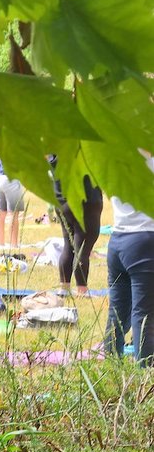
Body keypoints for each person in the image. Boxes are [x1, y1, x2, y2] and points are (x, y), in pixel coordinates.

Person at [104, 151, 154, 367]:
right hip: (143, 240)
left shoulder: (115, 158)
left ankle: (110, 368)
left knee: (116, 313)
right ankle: (145, 373)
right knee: (144, 315)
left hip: (117, 240)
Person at [49, 155, 104, 296]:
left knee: (69, 245)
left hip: (61, 201)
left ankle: (64, 287)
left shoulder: (56, 148)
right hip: (86, 201)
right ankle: (82, 290)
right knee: (82, 249)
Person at [0, 159, 25, 249]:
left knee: (0, 213)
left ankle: (0, 243)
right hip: (11, 179)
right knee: (13, 213)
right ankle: (13, 244)